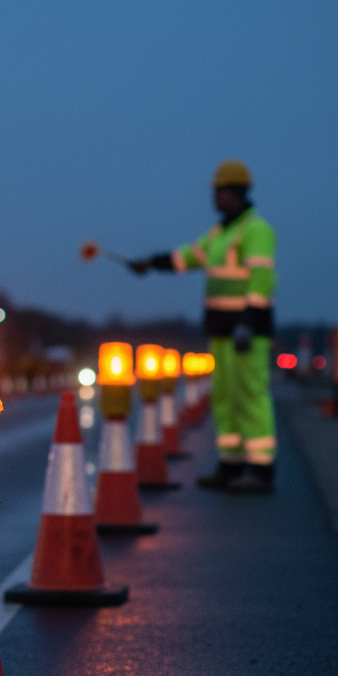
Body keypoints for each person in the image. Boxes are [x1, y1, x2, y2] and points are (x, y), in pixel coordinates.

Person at [128, 160, 277, 493]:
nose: (215, 197)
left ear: (236, 192)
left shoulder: (256, 230)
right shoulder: (219, 234)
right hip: (222, 331)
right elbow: (186, 258)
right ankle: (231, 464)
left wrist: (248, 322)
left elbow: (263, 278)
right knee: (224, 397)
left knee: (250, 395)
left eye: (220, 191)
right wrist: (151, 262)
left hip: (246, 331)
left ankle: (261, 468)